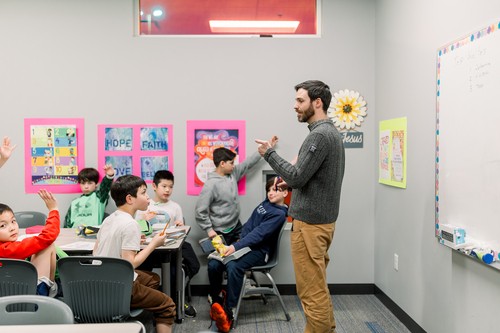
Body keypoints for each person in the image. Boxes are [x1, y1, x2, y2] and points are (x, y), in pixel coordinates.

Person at [255, 80, 345, 333]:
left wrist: (269, 153)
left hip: (310, 226)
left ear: (317, 103)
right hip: (322, 222)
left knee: (310, 291)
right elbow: (309, 178)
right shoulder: (331, 133)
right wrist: (292, 186)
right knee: (317, 285)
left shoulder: (319, 135)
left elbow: (295, 176)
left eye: (300, 101)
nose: (295, 106)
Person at [93, 175, 176, 333]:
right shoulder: (131, 224)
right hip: (119, 284)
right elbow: (130, 263)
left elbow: (95, 252)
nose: (148, 197)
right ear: (130, 199)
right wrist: (153, 244)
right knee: (168, 304)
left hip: (100, 280)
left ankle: (125, 308)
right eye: (144, 193)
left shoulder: (109, 219)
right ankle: (124, 307)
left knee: (153, 279)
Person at [207, 176, 289, 333]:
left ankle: (229, 311)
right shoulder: (266, 204)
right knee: (213, 264)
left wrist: (236, 246)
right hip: (244, 245)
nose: (271, 193)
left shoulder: (279, 214)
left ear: (285, 192)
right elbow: (250, 224)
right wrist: (238, 240)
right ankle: (217, 301)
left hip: (259, 252)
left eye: (275, 190)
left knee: (233, 266)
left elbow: (259, 234)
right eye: (269, 190)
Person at [136, 170, 200, 317]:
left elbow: (181, 229)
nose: (167, 190)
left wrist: (180, 225)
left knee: (185, 266)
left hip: (171, 247)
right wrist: (143, 220)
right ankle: (152, 299)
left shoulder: (175, 206)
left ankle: (176, 296)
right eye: (164, 186)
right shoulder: (145, 204)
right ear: (154, 186)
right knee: (143, 268)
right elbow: (136, 231)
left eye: (170, 187)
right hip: (150, 247)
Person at [195, 144, 275, 245]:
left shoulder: (233, 174)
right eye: (232, 163)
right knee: (223, 257)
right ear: (222, 163)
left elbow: (248, 163)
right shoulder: (210, 185)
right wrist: (209, 230)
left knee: (242, 250)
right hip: (220, 231)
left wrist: (265, 149)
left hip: (236, 225)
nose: (234, 166)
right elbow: (200, 210)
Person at [0, 189, 60, 297]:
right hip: (24, 295)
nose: (12, 228)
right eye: (3, 226)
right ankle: (50, 290)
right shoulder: (8, 249)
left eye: (13, 221)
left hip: (9, 291)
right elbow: (47, 237)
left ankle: (52, 286)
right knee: (47, 245)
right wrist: (53, 210)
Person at [64, 164, 115, 228]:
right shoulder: (74, 202)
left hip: (92, 234)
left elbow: (105, 187)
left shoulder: (100, 197)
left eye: (90, 183)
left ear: (96, 184)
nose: (86, 186)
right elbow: (67, 223)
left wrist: (109, 176)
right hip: (74, 234)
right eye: (83, 183)